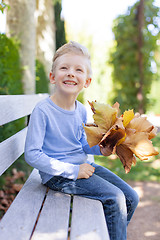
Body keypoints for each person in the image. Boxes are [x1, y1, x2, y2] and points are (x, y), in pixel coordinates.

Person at [25, 41, 139, 240]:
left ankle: (106, 234)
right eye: (64, 68)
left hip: (83, 167)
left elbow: (80, 144)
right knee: (115, 198)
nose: (71, 73)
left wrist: (100, 150)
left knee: (131, 197)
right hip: (58, 175)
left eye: (78, 69)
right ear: (52, 77)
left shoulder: (80, 110)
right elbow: (32, 154)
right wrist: (73, 171)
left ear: (87, 81)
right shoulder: (42, 111)